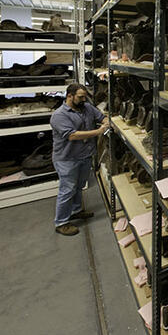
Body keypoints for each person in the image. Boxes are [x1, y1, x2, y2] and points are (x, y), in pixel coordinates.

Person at [50, 83, 108, 236]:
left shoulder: (87, 107)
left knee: (78, 186)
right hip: (67, 158)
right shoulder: (59, 115)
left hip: (84, 155)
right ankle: (61, 222)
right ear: (70, 96)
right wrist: (98, 131)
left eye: (84, 97)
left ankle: (75, 210)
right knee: (67, 189)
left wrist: (106, 122)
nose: (84, 99)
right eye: (80, 97)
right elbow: (72, 135)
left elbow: (101, 117)